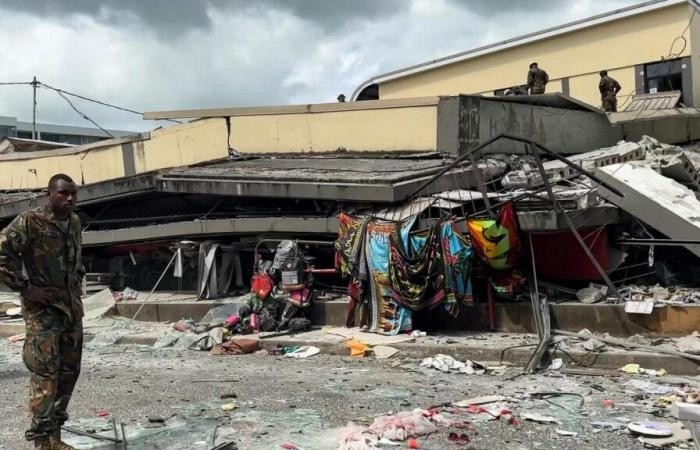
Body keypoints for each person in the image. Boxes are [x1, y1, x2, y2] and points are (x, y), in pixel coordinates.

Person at [0, 174, 84, 450]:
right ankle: (42, 441)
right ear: (50, 194)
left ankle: (55, 436)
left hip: (70, 311)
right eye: (63, 193)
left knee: (69, 373)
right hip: (43, 313)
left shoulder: (73, 223)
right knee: (45, 377)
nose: (69, 198)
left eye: (73, 193)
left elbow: (76, 262)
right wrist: (26, 289)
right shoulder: (29, 221)